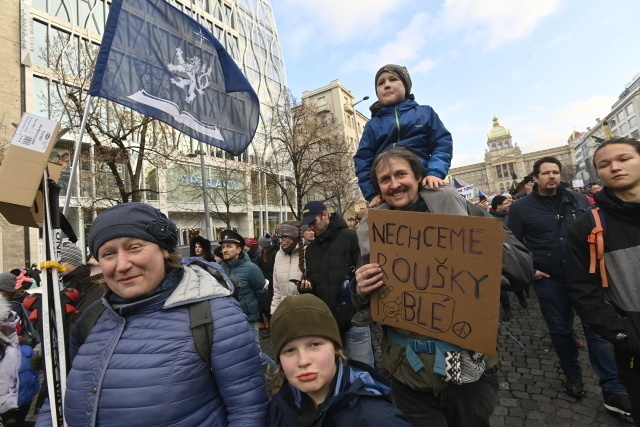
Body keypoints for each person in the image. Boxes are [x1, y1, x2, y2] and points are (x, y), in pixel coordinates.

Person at [35, 202, 268, 426]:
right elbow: (57, 400)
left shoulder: (214, 316)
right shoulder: (92, 318)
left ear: (164, 251)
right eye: (108, 254)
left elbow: (247, 411)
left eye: (134, 247)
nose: (122, 264)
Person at [354, 147, 533, 426]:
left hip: (468, 370)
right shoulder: (372, 231)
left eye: (401, 174)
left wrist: (480, 248)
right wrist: (361, 290)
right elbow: (364, 302)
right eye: (385, 179)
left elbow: (522, 270)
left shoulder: (459, 209)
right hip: (408, 374)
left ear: (419, 176)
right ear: (378, 188)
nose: (394, 184)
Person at [508, 156, 631, 415]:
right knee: (561, 331)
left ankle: (612, 386)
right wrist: (531, 271)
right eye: (546, 173)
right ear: (535, 178)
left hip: (586, 278)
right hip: (550, 280)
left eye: (555, 172)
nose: (552, 176)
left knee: (597, 332)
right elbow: (513, 244)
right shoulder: (521, 209)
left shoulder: (578, 200)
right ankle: (572, 374)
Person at [567, 137, 640, 421]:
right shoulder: (587, 226)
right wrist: (624, 334)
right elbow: (583, 292)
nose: (615, 167)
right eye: (604, 164)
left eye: (624, 159)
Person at [268, 294, 412, 426]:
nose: (303, 361)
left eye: (315, 344)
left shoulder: (380, 420)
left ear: (336, 349)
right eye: (290, 350)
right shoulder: (279, 408)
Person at [354, 64, 463, 210]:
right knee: (370, 220)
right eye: (381, 83)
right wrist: (372, 194)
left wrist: (434, 173)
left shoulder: (425, 113)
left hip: (424, 180)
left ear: (406, 86)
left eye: (393, 79)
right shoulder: (372, 125)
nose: (387, 85)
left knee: (447, 195)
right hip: (390, 189)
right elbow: (363, 161)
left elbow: (442, 143)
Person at [299, 201, 374, 366]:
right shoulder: (311, 249)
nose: (311, 227)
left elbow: (365, 275)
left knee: (364, 373)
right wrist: (306, 289)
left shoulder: (350, 237)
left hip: (354, 321)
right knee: (336, 375)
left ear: (325, 215)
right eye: (308, 224)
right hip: (328, 324)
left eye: (314, 221)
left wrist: (360, 309)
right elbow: (315, 284)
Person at [219, 229, 276, 371]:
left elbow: (262, 292)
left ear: (238, 249)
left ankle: (277, 371)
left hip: (248, 319)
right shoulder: (219, 269)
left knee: (255, 353)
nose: (224, 250)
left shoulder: (251, 268)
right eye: (223, 247)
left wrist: (252, 309)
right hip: (228, 320)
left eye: (229, 246)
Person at [489, 195, 528, 321]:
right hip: (495, 254)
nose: (508, 205)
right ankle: (507, 310)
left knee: (514, 276)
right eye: (506, 203)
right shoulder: (487, 218)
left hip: (511, 252)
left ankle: (521, 295)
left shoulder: (511, 217)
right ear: (498, 206)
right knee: (500, 286)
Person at [270, 224, 303, 314]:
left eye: (284, 237)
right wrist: (274, 312)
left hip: (303, 308)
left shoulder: (307, 252)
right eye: (279, 237)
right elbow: (276, 289)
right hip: (284, 310)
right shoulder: (278, 255)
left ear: (293, 237)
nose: (280, 241)